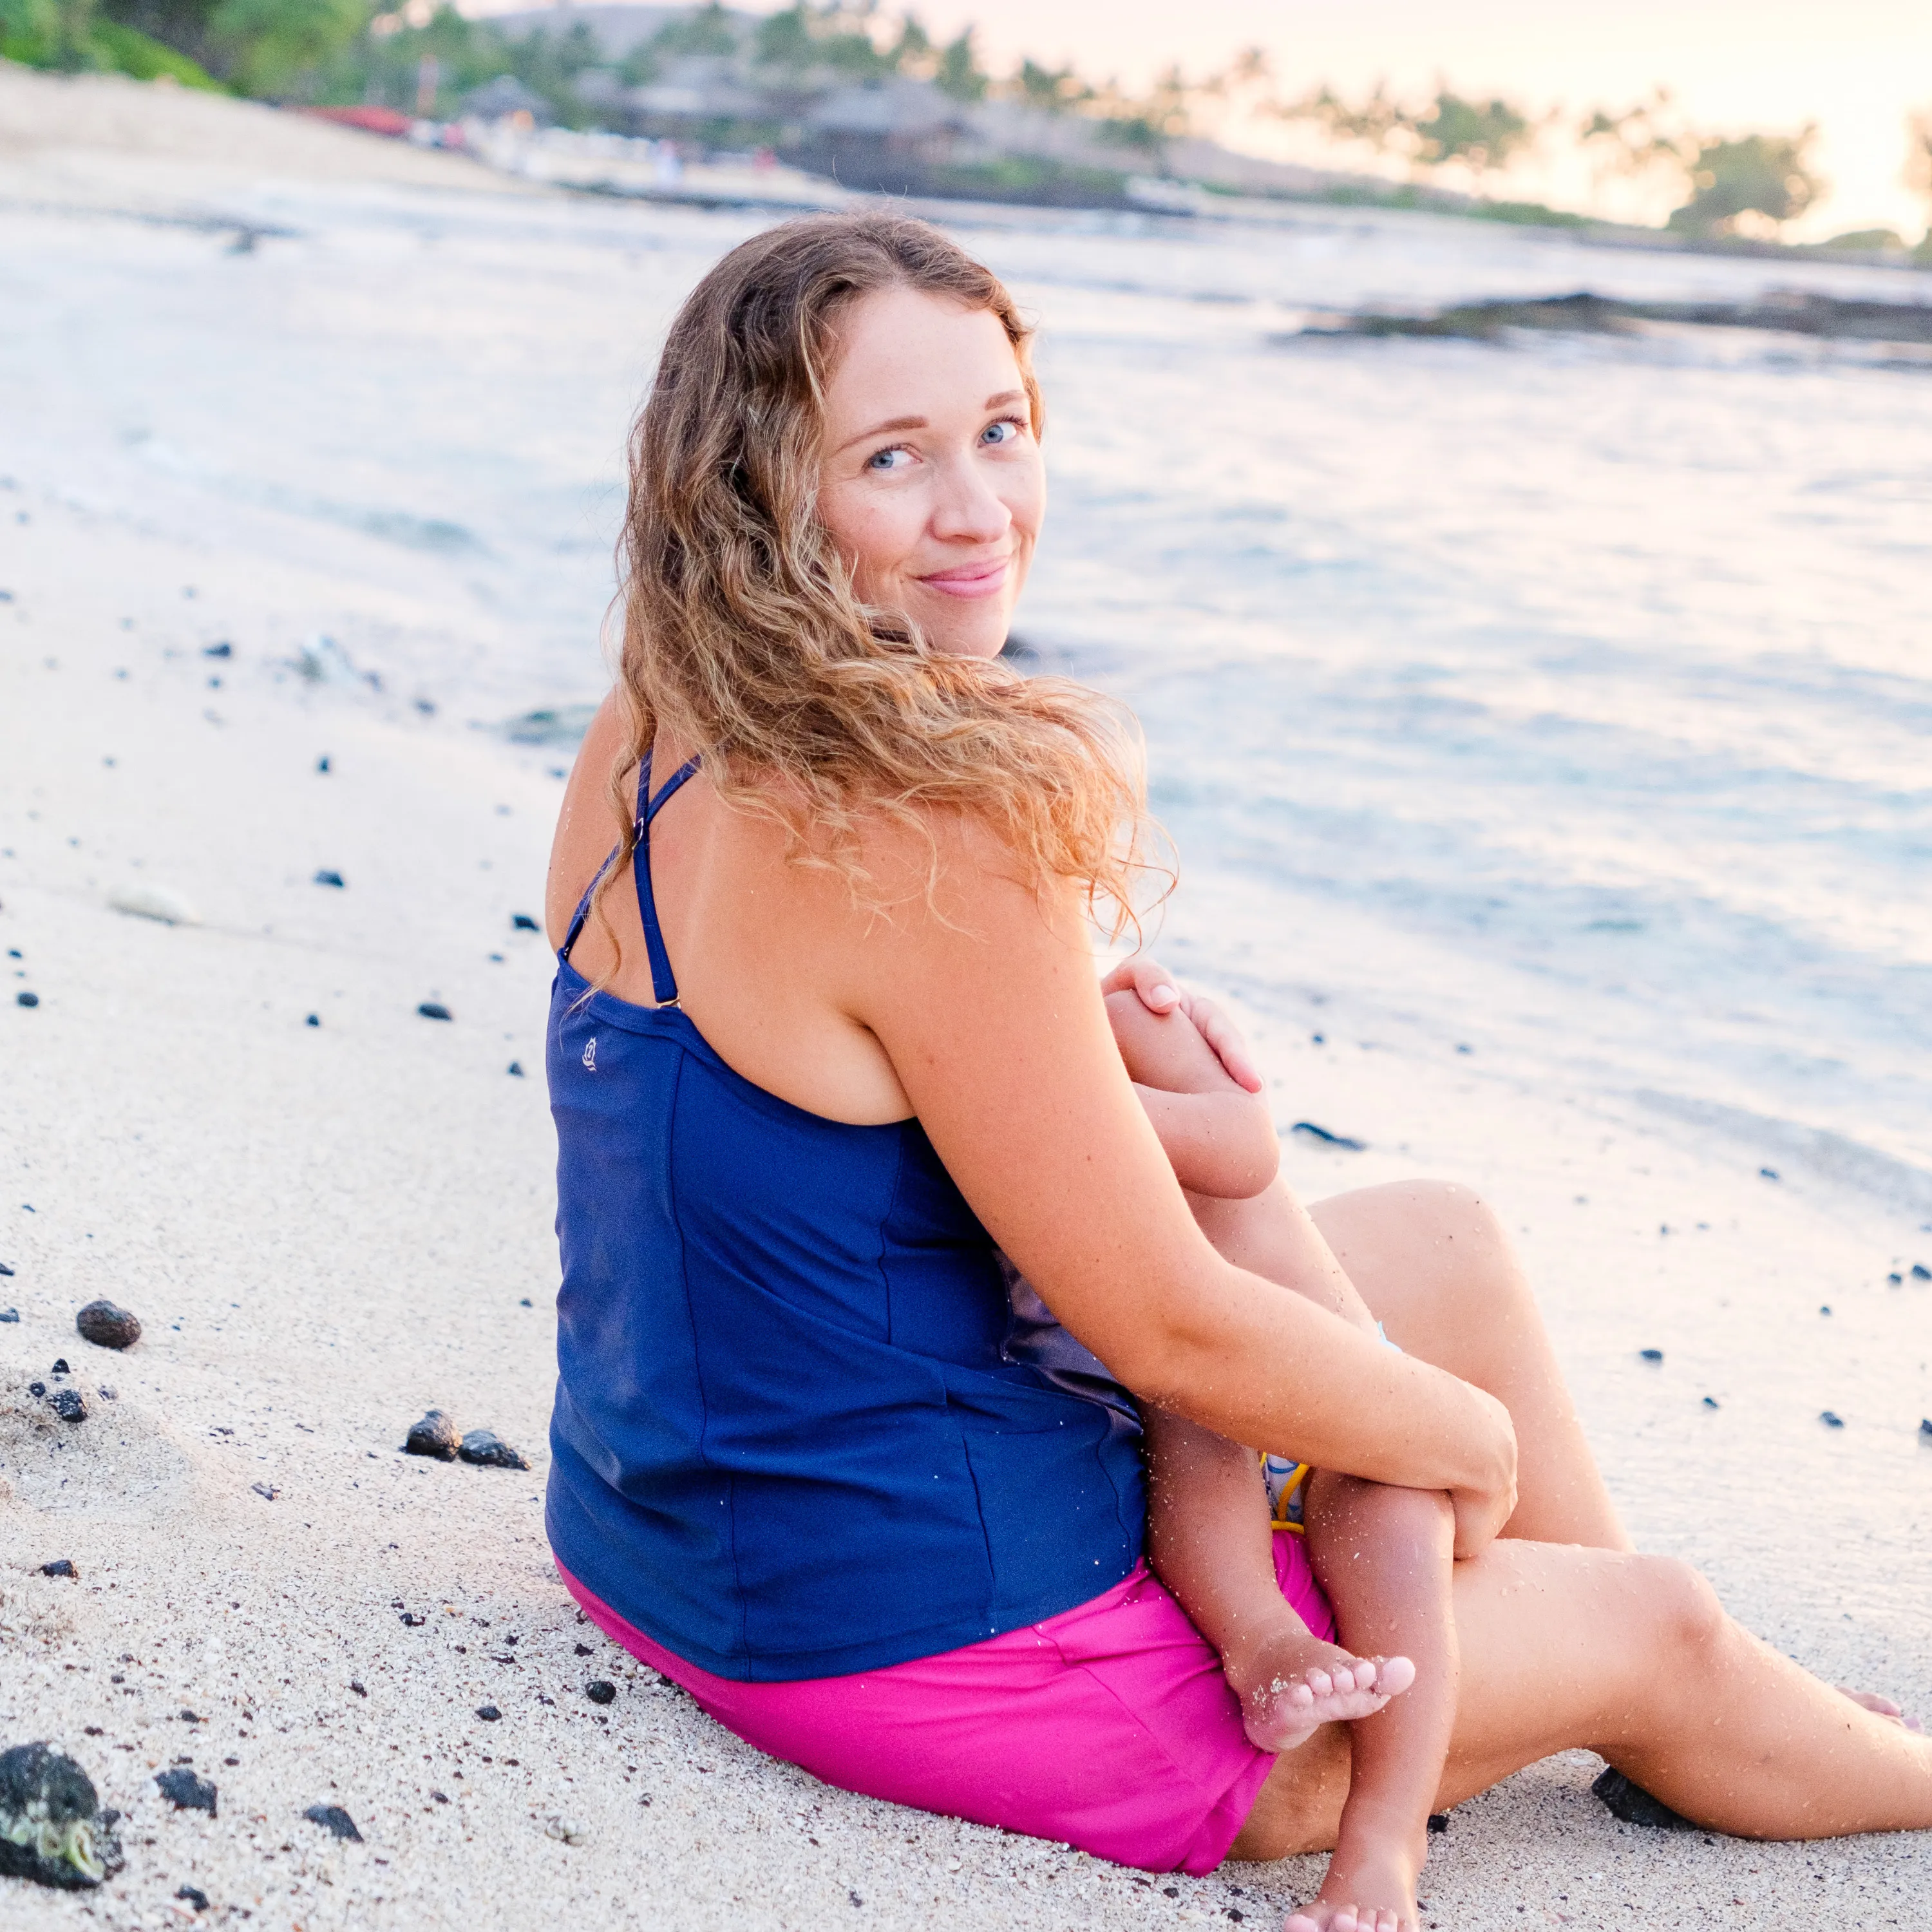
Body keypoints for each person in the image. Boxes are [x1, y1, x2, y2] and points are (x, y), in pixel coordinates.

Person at [542, 211, 1932, 1932]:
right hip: (940, 1646)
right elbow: (1171, 1332)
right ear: (758, 490)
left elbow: (832, 1117)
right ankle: (1671, 1687)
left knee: (1447, 1244)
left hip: (659, 1527)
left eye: (1002, 429)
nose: (982, 512)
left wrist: (1078, 1047)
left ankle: (1614, 1694)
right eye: (894, 457)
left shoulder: (653, 718)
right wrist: (1464, 1443)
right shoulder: (932, 831)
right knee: (1657, 1616)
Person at [1070, 987, 1455, 1932]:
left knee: (1394, 1519)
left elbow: (1245, 1149)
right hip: (1178, 1392)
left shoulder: (1116, 1018)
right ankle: (1267, 1645)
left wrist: (1069, 1094)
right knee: (1190, 1431)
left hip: (1319, 1385)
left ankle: (1384, 1840)